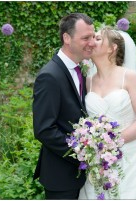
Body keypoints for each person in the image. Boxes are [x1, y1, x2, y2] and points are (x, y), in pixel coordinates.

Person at [79, 26, 136, 199]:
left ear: (112, 48)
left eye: (98, 39)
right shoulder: (88, 82)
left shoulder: (129, 77)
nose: (91, 42)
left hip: (132, 158)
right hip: (99, 160)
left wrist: (113, 142)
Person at [32, 13, 96, 199]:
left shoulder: (80, 69)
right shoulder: (50, 76)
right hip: (61, 177)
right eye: (85, 38)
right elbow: (44, 130)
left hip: (83, 177)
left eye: (93, 36)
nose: (92, 42)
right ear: (66, 38)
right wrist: (84, 153)